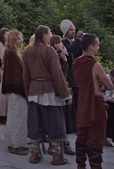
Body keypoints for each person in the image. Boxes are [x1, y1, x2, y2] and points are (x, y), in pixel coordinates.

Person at [23, 25, 72, 165]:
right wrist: (66, 95)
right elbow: (58, 74)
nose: (51, 35)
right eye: (50, 33)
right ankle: (57, 156)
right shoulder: (49, 51)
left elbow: (25, 75)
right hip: (49, 92)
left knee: (35, 124)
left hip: (33, 92)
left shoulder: (28, 50)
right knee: (55, 124)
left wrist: (28, 92)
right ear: (44, 34)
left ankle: (34, 155)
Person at [73, 34, 114, 169]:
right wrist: (102, 84)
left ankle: (80, 166)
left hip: (82, 100)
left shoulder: (76, 62)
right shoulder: (94, 64)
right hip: (95, 102)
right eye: (97, 45)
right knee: (96, 138)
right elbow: (109, 85)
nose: (99, 47)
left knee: (82, 135)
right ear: (91, 47)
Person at [2, 30, 29, 155]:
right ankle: (14, 144)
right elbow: (17, 73)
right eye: (18, 39)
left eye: (21, 38)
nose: (21, 41)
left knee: (20, 116)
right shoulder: (11, 54)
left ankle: (18, 142)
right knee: (16, 116)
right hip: (15, 89)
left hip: (17, 89)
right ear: (13, 40)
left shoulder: (14, 53)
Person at [51, 34, 77, 156]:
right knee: (60, 118)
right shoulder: (53, 57)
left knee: (65, 117)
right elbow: (60, 74)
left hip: (66, 87)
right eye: (59, 42)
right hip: (60, 90)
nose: (61, 44)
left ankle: (62, 143)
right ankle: (60, 144)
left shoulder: (61, 55)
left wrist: (66, 56)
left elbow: (71, 66)